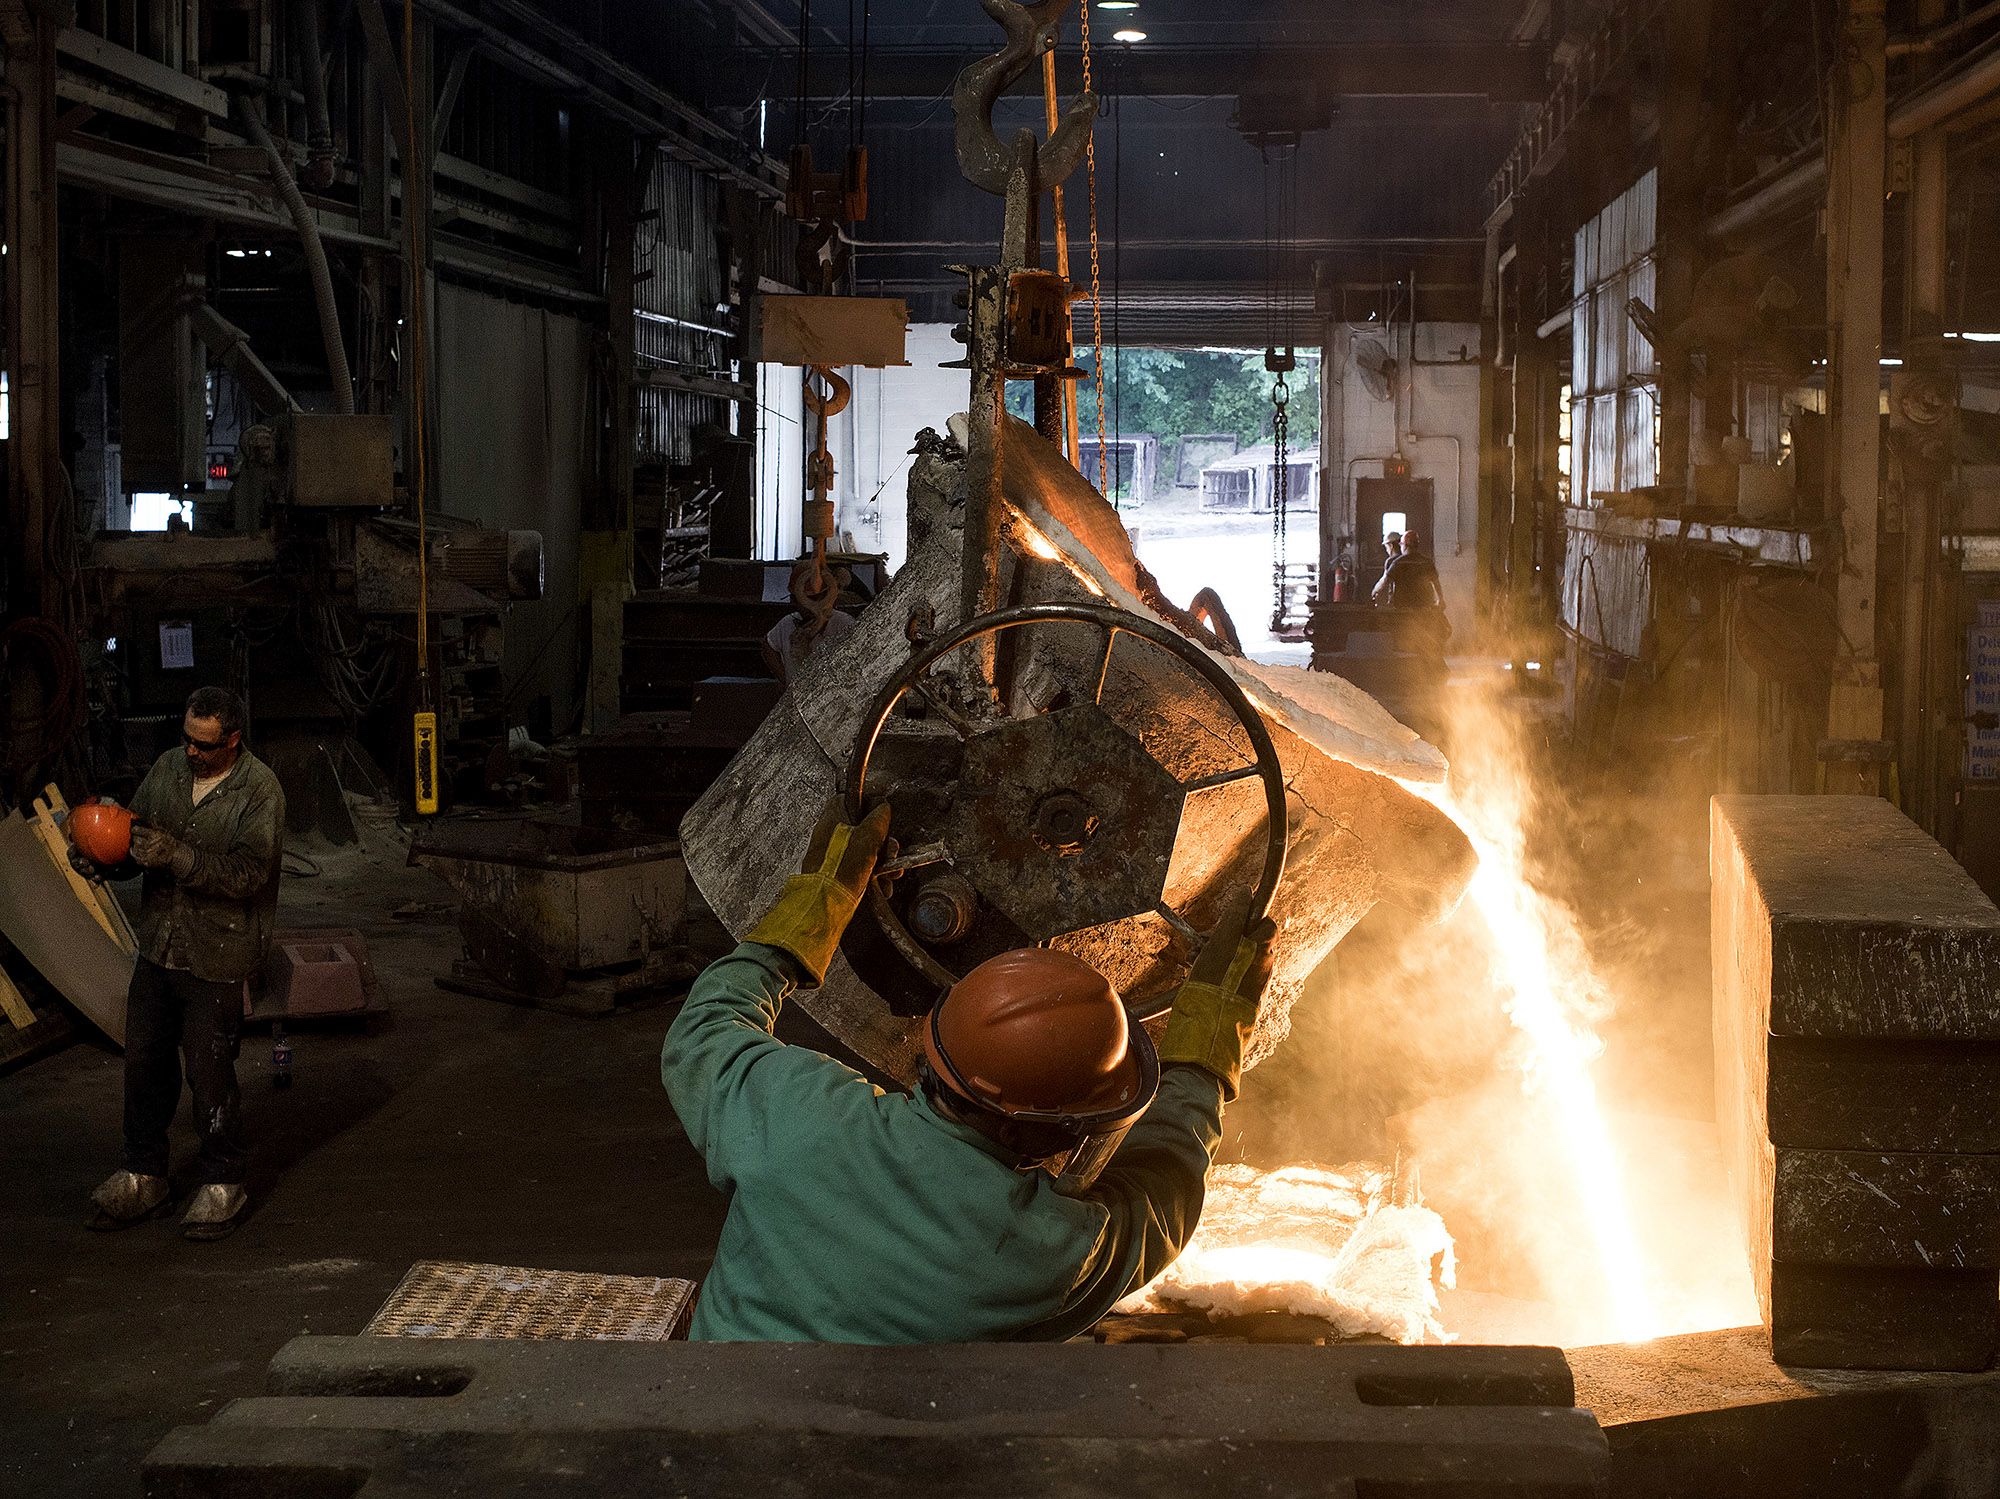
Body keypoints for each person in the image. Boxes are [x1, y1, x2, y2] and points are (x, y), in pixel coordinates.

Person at [660, 802, 1276, 1343]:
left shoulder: (795, 1111)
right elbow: (1166, 1185)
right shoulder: (1053, 1252)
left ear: (934, 1048)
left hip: (711, 1432)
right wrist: (1206, 1042)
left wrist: (819, 903)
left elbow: (707, 1027)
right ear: (1058, 1135)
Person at [75, 686, 286, 1241]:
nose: (191, 752)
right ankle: (145, 1172)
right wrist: (105, 858)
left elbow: (248, 875)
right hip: (160, 945)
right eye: (187, 740)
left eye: (205, 745)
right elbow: (138, 842)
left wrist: (179, 855)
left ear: (233, 740)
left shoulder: (259, 790)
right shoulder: (169, 768)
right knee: (144, 1063)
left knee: (209, 1071)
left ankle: (224, 1179)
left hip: (218, 951)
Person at [761, 558, 856, 684]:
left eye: (815, 598)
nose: (810, 606)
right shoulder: (787, 623)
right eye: (802, 599)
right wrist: (784, 680)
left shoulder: (843, 623)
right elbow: (768, 645)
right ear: (794, 600)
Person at [1369, 531, 1404, 604]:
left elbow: (1384, 581)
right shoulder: (1407, 559)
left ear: (1391, 546)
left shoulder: (1391, 561)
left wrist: (1374, 591)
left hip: (1396, 600)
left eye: (1386, 547)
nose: (1386, 550)